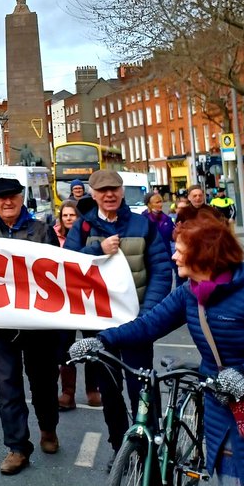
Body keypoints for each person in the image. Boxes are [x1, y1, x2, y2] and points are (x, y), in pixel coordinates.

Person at [70, 212, 244, 486]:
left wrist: (243, 375)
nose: (174, 256)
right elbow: (148, 325)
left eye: (181, 250)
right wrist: (100, 340)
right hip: (217, 399)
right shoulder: (189, 294)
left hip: (243, 391)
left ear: (205, 254)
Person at [64, 168, 172, 463]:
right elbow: (68, 267)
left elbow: (162, 272)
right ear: (93, 194)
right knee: (110, 394)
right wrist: (98, 248)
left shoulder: (143, 225)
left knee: (141, 390)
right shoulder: (83, 227)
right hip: (99, 325)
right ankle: (119, 449)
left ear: (122, 191)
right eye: (102, 190)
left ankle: (147, 447)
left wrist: (146, 316)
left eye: (114, 189)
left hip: (136, 325)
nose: (109, 195)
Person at [0, 177, 61, 475]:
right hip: (1, 326)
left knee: (43, 382)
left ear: (21, 197)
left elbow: (56, 274)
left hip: (38, 325)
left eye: (12, 196)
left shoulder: (41, 231)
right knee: (7, 385)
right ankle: (17, 447)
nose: (7, 202)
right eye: (0, 199)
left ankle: (48, 428)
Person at [55, 199, 101, 411]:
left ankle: (93, 389)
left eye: (72, 215)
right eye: (65, 216)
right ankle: (68, 393)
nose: (68, 219)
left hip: (89, 297)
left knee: (91, 343)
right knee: (65, 346)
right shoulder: (52, 236)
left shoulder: (89, 233)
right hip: (64, 299)